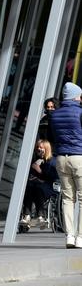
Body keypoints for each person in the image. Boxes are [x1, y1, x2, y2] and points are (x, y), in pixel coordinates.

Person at [48, 82, 82, 248]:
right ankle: (81, 237)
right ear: (76, 96)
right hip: (79, 157)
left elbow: (53, 136)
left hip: (62, 157)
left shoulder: (54, 115)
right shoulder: (80, 113)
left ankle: (69, 236)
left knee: (68, 198)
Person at [21, 140, 58, 228]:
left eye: (41, 147)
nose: (39, 149)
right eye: (38, 147)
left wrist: (39, 170)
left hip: (47, 186)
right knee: (28, 188)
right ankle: (27, 215)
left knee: (38, 189)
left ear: (46, 149)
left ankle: (40, 216)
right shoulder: (35, 159)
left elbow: (53, 176)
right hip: (34, 184)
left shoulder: (52, 161)